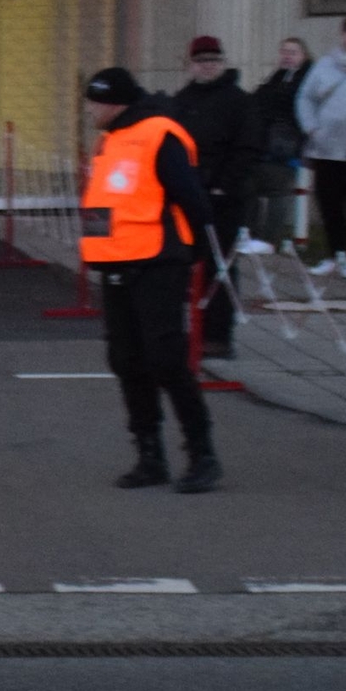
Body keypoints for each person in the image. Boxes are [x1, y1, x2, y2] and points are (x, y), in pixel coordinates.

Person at [80, 67, 222, 493]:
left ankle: (202, 455)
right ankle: (149, 455)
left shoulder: (160, 133)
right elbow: (107, 204)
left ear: (113, 102)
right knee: (126, 360)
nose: (88, 111)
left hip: (158, 261)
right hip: (118, 264)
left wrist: (195, 251)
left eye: (92, 102)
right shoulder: (110, 141)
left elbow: (191, 197)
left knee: (166, 359)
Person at [167, 34, 259, 358]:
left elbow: (246, 149)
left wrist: (224, 185)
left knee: (219, 266)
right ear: (190, 65)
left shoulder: (238, 101)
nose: (208, 67)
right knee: (183, 264)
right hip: (187, 195)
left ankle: (217, 335)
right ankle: (186, 331)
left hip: (223, 198)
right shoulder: (181, 101)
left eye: (214, 61)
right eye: (202, 61)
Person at [295, 16, 346, 275]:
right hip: (327, 148)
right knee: (330, 205)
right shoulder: (324, 65)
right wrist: (311, 128)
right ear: (343, 34)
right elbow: (305, 98)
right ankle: (336, 255)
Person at [240, 37, 309, 255]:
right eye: (284, 51)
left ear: (303, 55)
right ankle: (251, 234)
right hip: (266, 145)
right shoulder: (276, 79)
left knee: (278, 191)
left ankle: (268, 239)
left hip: (284, 147)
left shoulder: (302, 80)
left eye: (293, 52)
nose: (287, 56)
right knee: (251, 187)